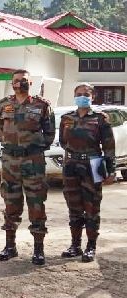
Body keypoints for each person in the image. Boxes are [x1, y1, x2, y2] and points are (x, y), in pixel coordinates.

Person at [0, 69, 55, 265]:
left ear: (31, 83)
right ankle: (10, 247)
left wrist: (32, 148)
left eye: (23, 80)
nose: (19, 83)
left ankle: (38, 250)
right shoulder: (3, 105)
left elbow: (49, 134)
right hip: (10, 161)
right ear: (11, 83)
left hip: (33, 161)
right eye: (16, 80)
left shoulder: (42, 105)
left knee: (36, 203)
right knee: (10, 203)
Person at [59, 83, 115, 262]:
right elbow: (62, 141)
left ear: (92, 97)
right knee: (74, 206)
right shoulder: (67, 118)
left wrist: (110, 171)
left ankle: (90, 246)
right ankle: (75, 245)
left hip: (93, 165)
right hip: (71, 165)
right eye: (78, 94)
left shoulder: (100, 119)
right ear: (74, 96)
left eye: (86, 94)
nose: (82, 97)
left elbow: (108, 147)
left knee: (92, 207)